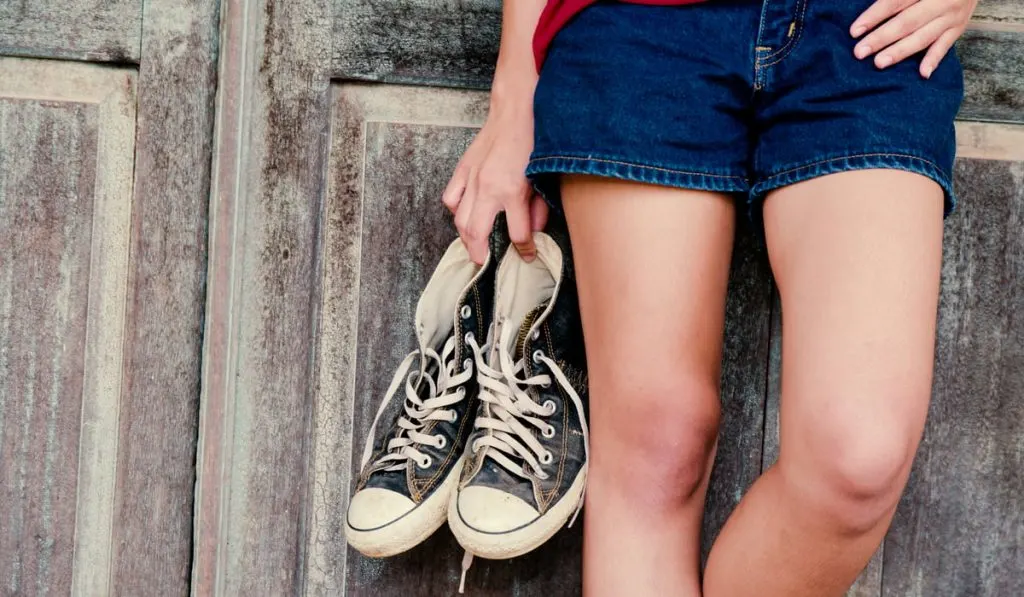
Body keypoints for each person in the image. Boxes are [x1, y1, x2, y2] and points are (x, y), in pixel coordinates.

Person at [440, 0, 974, 595]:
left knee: (859, 455)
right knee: (657, 446)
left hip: (870, 30)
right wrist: (515, 90)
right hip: (639, 27)